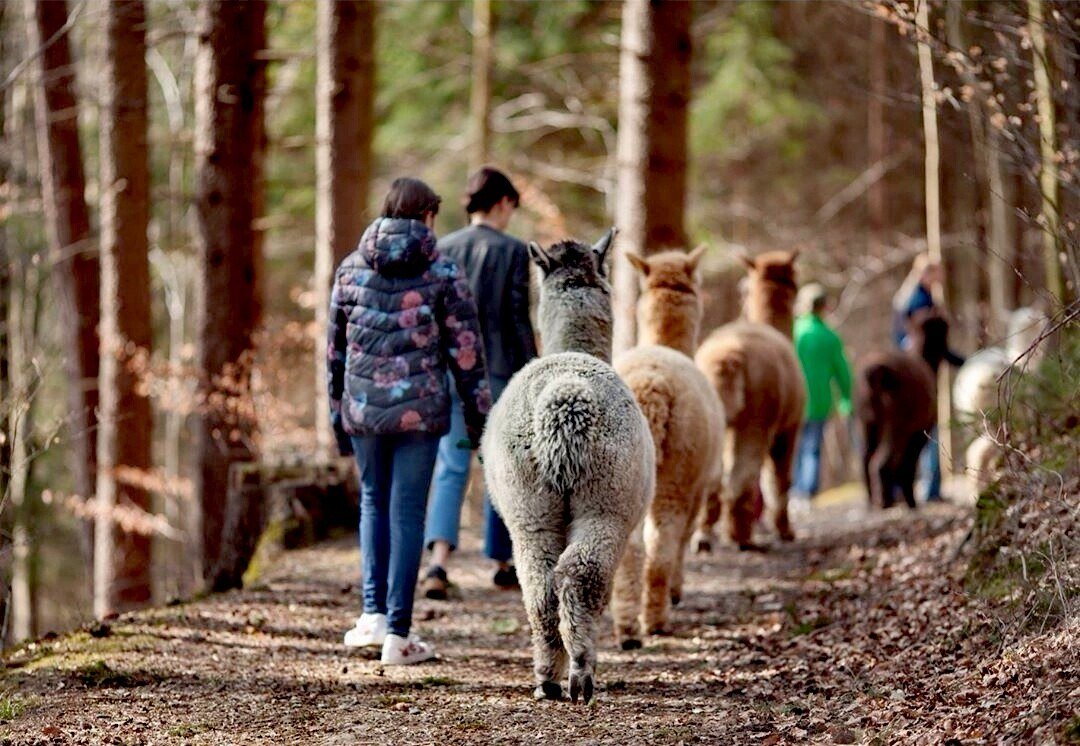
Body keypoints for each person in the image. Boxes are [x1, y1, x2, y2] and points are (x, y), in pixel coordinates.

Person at [328, 177, 491, 665]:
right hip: (420, 410)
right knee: (407, 513)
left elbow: (334, 353)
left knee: (373, 503)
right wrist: (480, 416)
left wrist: (336, 417)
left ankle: (372, 617)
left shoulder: (351, 268)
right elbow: (466, 351)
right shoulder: (443, 269)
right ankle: (398, 635)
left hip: (362, 410)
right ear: (426, 216)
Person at [421, 167, 537, 599]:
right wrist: (533, 371)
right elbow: (516, 318)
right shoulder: (514, 251)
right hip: (501, 373)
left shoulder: (444, 247)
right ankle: (503, 561)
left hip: (452, 372)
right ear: (503, 203)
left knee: (451, 465)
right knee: (500, 467)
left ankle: (438, 562)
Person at [891, 254, 965, 502]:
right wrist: (962, 361)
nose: (942, 277)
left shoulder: (908, 300)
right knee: (927, 431)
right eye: (937, 273)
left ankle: (912, 488)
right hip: (922, 377)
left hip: (915, 375)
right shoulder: (919, 302)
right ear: (927, 274)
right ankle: (930, 488)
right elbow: (930, 344)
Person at [792, 284, 853, 502]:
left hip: (793, 402)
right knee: (813, 449)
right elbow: (842, 372)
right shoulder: (829, 336)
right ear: (824, 307)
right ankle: (807, 493)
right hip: (819, 402)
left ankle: (793, 492)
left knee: (794, 449)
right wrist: (846, 399)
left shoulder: (794, 332)